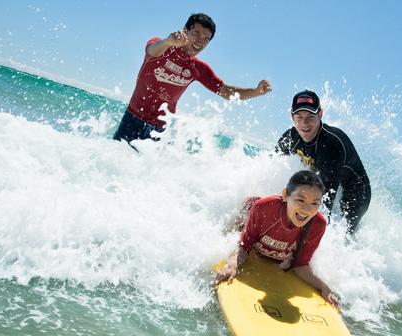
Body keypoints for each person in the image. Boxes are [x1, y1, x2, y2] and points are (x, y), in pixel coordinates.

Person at [113, 13, 272, 146]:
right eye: (196, 34)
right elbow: (152, 50)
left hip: (160, 129)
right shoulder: (162, 47)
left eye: (205, 39)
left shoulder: (198, 69)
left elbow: (226, 91)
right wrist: (168, 41)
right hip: (132, 119)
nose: (199, 41)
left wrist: (256, 91)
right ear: (185, 31)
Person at [214, 170, 338, 307]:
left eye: (315, 203)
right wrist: (232, 265)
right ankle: (248, 202)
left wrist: (324, 287)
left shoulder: (317, 224)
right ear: (285, 195)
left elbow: (300, 265)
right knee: (236, 226)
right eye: (301, 200)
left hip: (273, 213)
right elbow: (244, 245)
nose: (307, 209)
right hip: (255, 211)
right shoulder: (264, 209)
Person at [276, 90, 371, 235]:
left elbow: (324, 204)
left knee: (341, 234)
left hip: (356, 193)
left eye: (310, 117)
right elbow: (272, 166)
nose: (304, 123)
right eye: (299, 117)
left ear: (320, 114)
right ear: (292, 116)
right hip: (329, 181)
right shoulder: (290, 137)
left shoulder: (331, 144)